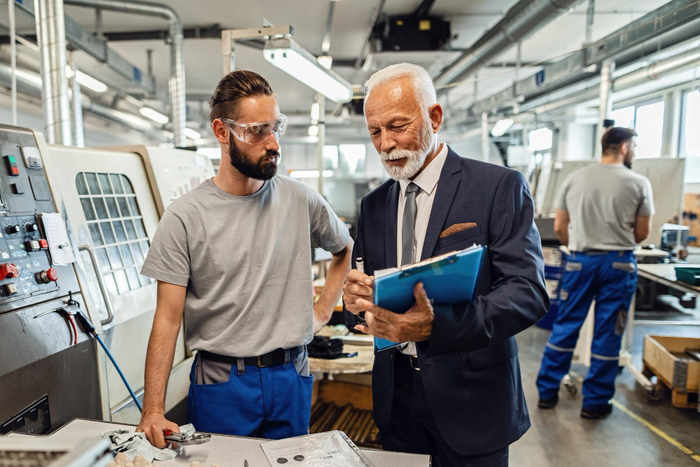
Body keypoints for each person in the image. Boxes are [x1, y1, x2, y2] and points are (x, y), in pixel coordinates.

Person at [342, 63, 549, 467]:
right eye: (374, 132)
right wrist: (356, 304)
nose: (385, 144)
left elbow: (527, 292)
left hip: (472, 400)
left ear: (435, 117)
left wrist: (437, 326)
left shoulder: (496, 187)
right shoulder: (374, 205)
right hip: (397, 400)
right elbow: (367, 297)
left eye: (398, 126)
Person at [136, 70, 352, 448]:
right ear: (222, 131)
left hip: (291, 376)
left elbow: (343, 248)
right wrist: (153, 408)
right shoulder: (185, 216)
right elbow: (167, 318)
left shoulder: (301, 200)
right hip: (222, 383)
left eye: (276, 128)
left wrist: (320, 313)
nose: (273, 144)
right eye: (258, 131)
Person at [536, 127, 653, 419]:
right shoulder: (639, 182)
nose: (634, 152)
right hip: (619, 264)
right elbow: (641, 234)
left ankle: (547, 393)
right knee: (608, 332)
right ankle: (595, 403)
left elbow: (561, 228)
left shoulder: (574, 179)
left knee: (565, 324)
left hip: (579, 261)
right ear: (624, 147)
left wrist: (579, 248)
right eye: (634, 146)